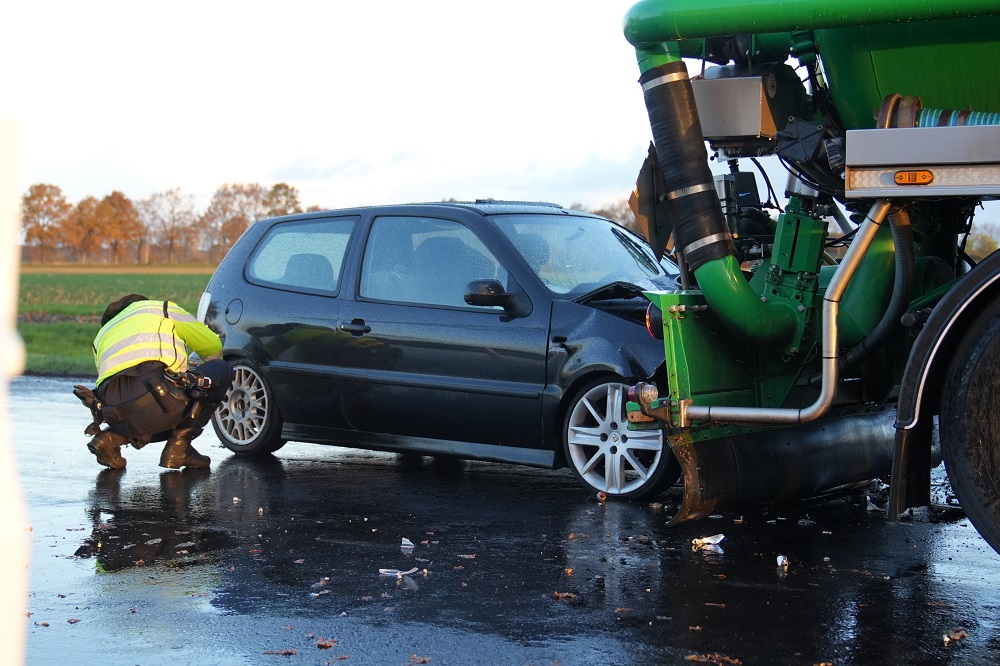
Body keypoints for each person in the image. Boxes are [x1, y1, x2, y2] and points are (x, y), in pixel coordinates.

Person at [74, 294, 233, 470]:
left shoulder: (101, 335)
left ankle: (109, 439)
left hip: (115, 416)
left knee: (138, 405)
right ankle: (180, 448)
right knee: (221, 370)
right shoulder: (161, 309)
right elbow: (212, 347)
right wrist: (202, 382)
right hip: (162, 402)